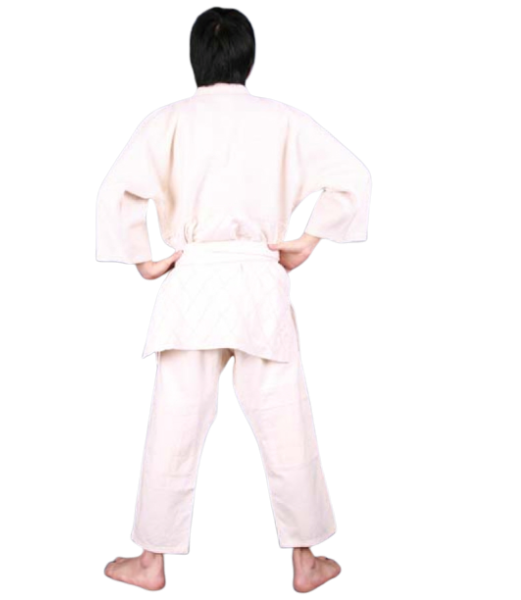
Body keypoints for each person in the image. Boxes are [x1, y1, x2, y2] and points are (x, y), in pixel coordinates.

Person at [95, 5, 371, 594]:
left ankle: (150, 561)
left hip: (192, 281)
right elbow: (353, 176)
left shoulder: (165, 122)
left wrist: (145, 261)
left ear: (193, 60)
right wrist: (307, 243)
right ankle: (305, 562)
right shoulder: (284, 120)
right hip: (257, 282)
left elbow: (115, 192)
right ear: (250, 63)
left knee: (173, 424)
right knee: (287, 420)